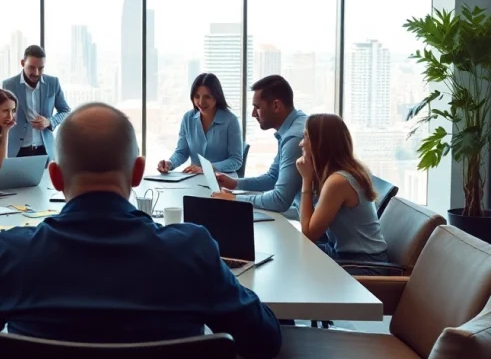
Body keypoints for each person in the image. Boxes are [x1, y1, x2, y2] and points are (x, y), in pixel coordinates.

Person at [0, 103, 282, 359]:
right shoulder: (192, 249)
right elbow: (263, 341)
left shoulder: (12, 253)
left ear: (57, 179)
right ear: (137, 172)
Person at [296, 114, 390, 275]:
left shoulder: (338, 181)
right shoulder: (344, 173)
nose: (301, 143)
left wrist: (306, 180)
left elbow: (309, 234)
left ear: (320, 144)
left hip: (364, 264)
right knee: (291, 254)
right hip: (345, 254)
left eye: (306, 137)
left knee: (296, 268)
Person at [214, 75, 307, 214]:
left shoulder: (294, 138)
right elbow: (273, 177)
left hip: (321, 231)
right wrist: (235, 184)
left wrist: (235, 199)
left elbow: (280, 200)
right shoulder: (297, 121)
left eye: (257, 107)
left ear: (276, 105)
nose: (253, 114)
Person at [157, 73, 243, 175]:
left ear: (217, 97)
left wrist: (207, 168)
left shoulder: (231, 121)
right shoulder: (188, 118)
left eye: (207, 97)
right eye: (197, 96)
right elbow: (182, 152)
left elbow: (236, 160)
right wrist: (169, 164)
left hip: (224, 180)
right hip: (194, 179)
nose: (201, 102)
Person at [1, 45, 71, 158]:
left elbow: (65, 110)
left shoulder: (53, 83)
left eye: (41, 68)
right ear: (23, 63)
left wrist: (50, 122)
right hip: (16, 150)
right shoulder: (8, 85)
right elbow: (0, 113)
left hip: (45, 149)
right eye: (32, 67)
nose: (37, 73)